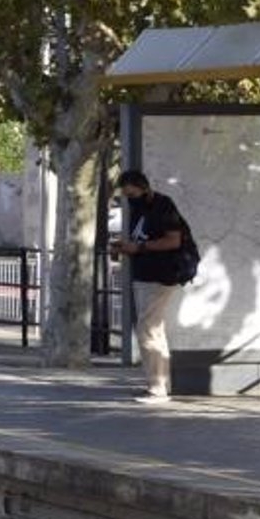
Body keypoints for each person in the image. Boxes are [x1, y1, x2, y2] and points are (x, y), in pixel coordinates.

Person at [109, 169, 188, 405]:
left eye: (131, 193)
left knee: (147, 330)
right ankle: (160, 383)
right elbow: (141, 239)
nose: (129, 199)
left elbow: (174, 240)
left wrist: (139, 248)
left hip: (159, 275)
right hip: (144, 275)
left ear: (143, 187)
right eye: (126, 195)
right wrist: (127, 246)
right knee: (154, 329)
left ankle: (157, 388)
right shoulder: (139, 208)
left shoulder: (162, 205)